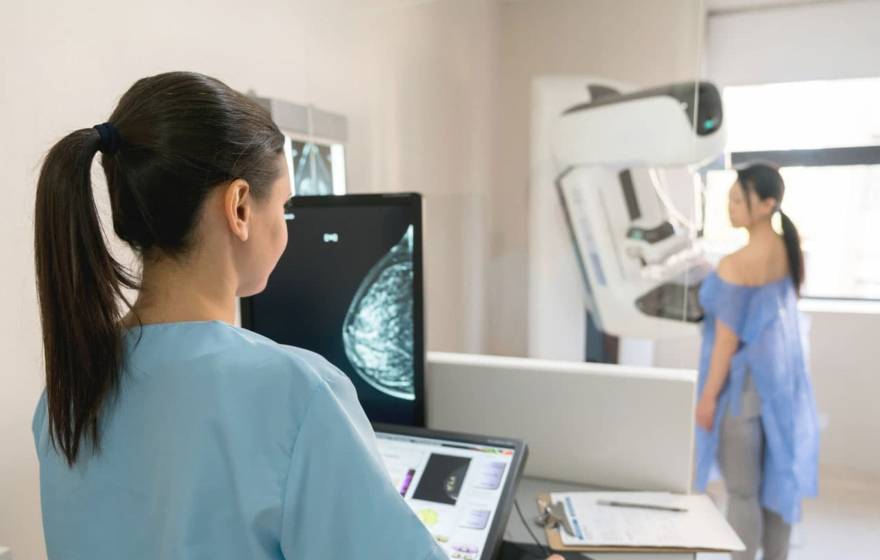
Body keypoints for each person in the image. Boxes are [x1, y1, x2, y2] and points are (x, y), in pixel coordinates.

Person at [31, 71, 564, 560]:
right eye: (283, 207)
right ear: (239, 208)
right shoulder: (296, 394)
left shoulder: (66, 394)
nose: (286, 226)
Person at [693, 163, 819, 560]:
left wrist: (708, 397)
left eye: (737, 199)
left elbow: (725, 345)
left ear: (766, 205)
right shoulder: (788, 249)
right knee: (777, 485)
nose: (730, 207)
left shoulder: (736, 264)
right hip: (781, 387)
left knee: (743, 494)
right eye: (728, 199)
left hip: (741, 394)